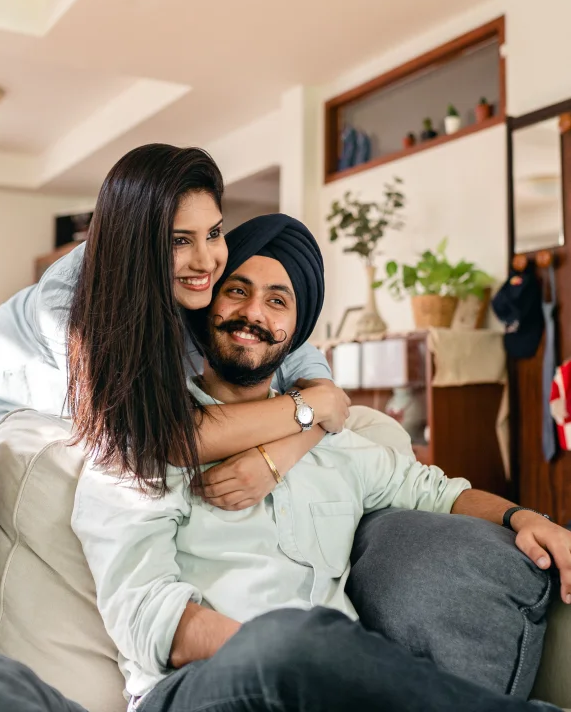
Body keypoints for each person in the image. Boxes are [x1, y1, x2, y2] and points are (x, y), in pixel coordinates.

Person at [71, 213, 571, 712]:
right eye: (237, 291)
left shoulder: (334, 447)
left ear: (296, 329)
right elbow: (146, 613)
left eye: (277, 301)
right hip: (199, 689)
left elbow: (439, 491)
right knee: (296, 640)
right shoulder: (141, 441)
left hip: (333, 686)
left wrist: (525, 518)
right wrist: (296, 658)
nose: (253, 313)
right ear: (206, 306)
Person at [0, 144, 349, 487]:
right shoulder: (71, 304)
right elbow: (163, 438)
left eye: (213, 233)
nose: (206, 262)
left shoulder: (195, 285)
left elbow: (309, 374)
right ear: (137, 241)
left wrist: (284, 452)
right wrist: (301, 420)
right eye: (179, 241)